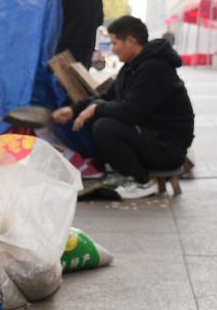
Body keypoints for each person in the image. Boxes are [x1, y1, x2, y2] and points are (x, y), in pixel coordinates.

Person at [53, 15, 194, 200]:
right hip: (150, 137)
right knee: (96, 117)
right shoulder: (131, 67)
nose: (113, 49)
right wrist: (74, 110)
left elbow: (131, 113)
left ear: (130, 41)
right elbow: (106, 97)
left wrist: (95, 110)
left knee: (105, 127)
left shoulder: (155, 68)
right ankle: (119, 171)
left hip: (167, 148)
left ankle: (141, 181)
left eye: (114, 43)